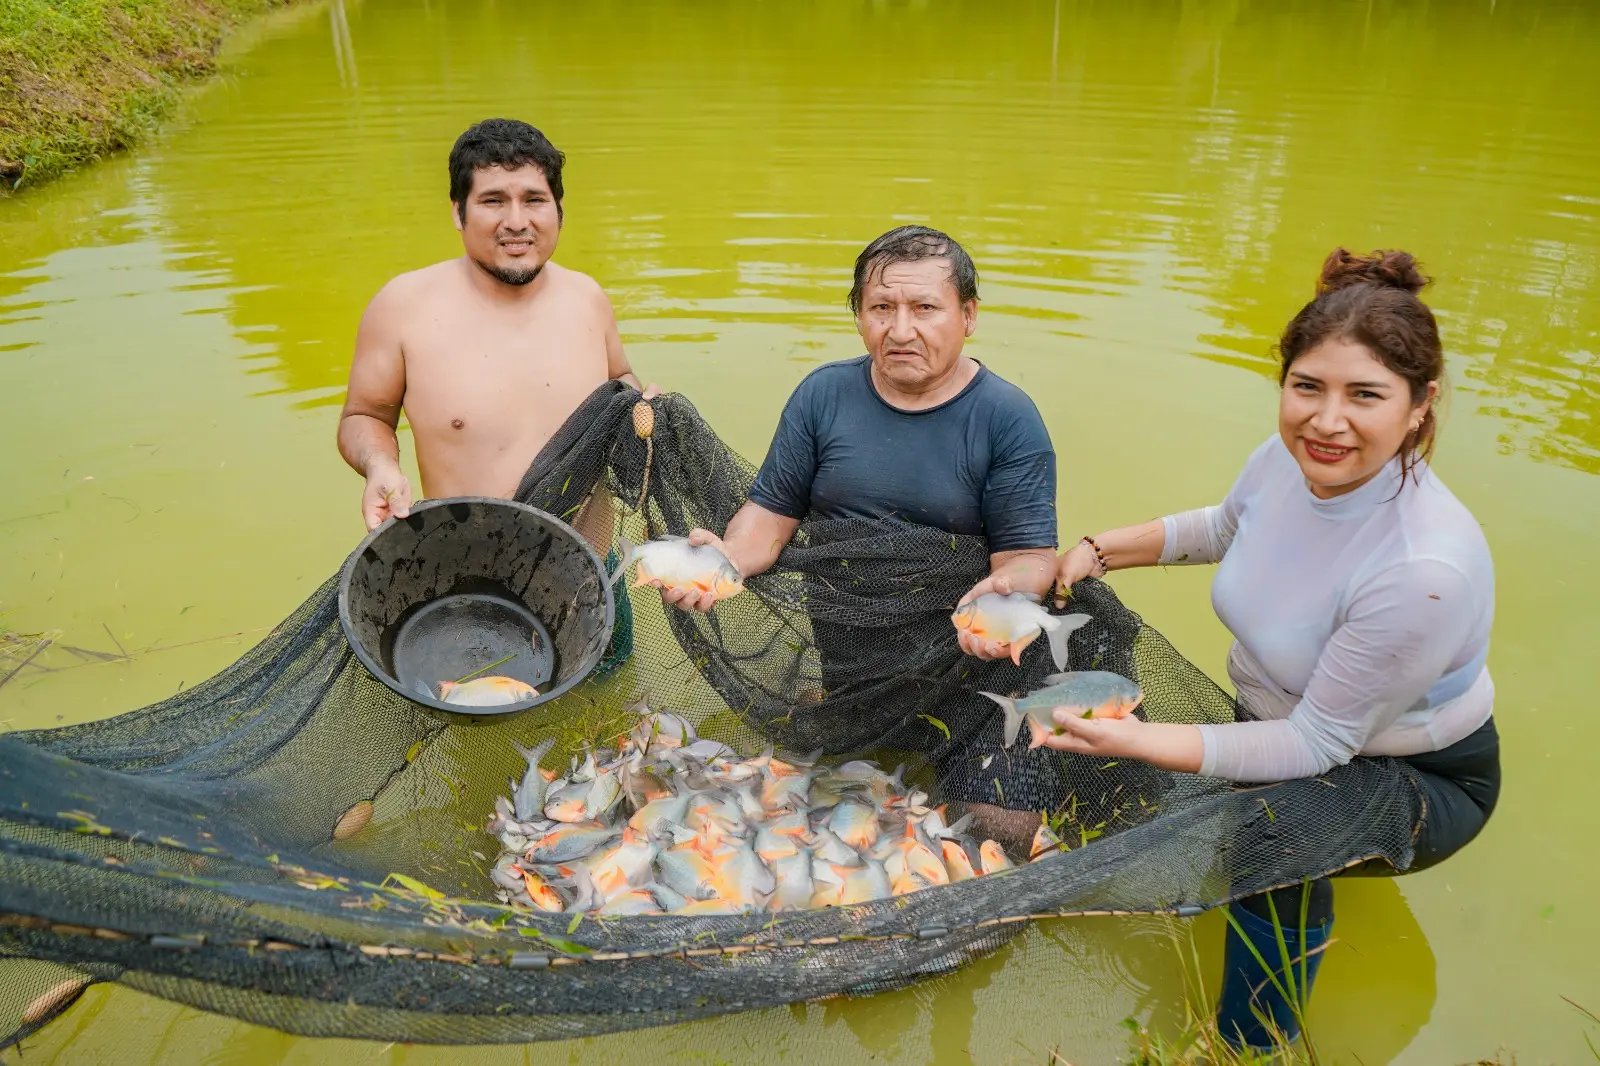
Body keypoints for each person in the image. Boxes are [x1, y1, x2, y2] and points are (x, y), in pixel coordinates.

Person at [1034, 249, 1499, 1048]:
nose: (1325, 421)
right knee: (1238, 807)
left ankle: (1249, 1042)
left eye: (1366, 396)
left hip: (1412, 774)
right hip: (1285, 713)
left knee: (1274, 840)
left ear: (1420, 405)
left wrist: (1137, 740)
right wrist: (1099, 547)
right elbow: (1222, 526)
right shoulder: (1290, 461)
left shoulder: (1424, 567)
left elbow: (1318, 743)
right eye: (1307, 387)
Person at [661, 224, 1062, 836]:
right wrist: (726, 561)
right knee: (818, 820)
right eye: (881, 308)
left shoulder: (1006, 418)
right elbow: (766, 524)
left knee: (994, 838)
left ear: (969, 314)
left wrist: (1005, 588)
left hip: (970, 670)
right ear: (859, 316)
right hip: (851, 669)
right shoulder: (823, 396)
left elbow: (1032, 558)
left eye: (925, 308)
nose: (901, 330)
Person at [336, 118, 656, 671]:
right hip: (468, 586)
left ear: (558, 210)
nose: (516, 222)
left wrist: (642, 402)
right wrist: (378, 465)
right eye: (492, 201)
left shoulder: (587, 298)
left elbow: (620, 382)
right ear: (458, 213)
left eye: (534, 199)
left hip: (591, 575)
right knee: (477, 744)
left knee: (615, 729)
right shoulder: (403, 306)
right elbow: (364, 415)